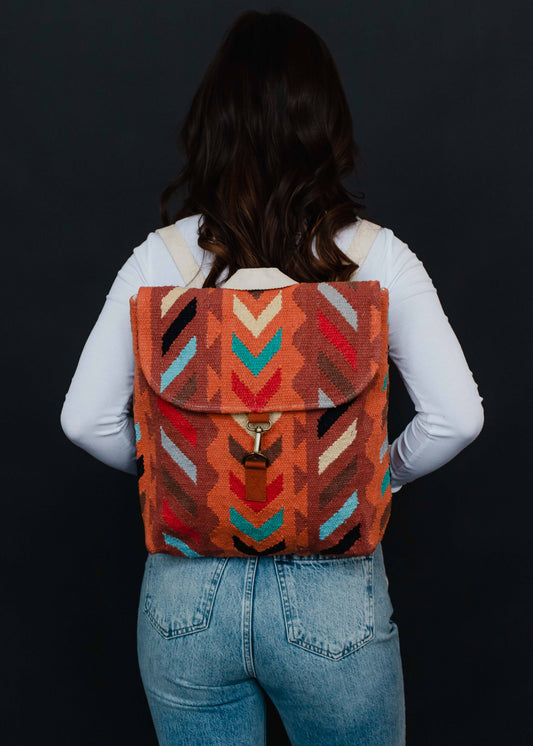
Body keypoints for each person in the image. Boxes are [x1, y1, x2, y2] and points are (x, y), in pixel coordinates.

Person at [60, 10, 484, 746]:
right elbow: (456, 417)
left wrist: (176, 466)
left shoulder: (157, 259)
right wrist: (369, 476)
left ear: (212, 125)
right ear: (326, 124)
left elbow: (83, 419)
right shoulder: (377, 258)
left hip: (185, 596)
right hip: (331, 596)